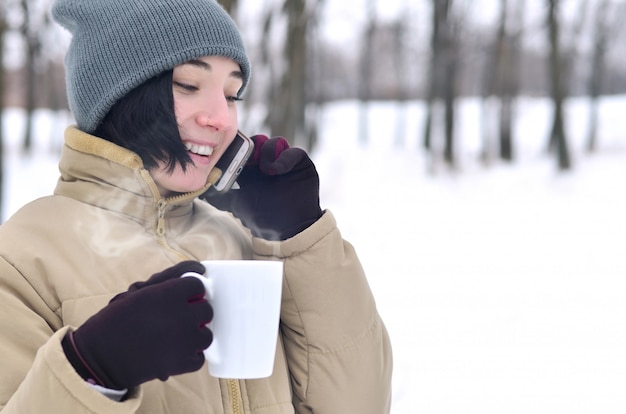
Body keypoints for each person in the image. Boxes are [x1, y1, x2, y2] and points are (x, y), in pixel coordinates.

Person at [0, 0, 393, 412]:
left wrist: (301, 239)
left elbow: (359, 404)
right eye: (188, 85)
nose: (222, 119)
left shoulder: (242, 237)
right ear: (116, 96)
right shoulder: (23, 260)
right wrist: (91, 371)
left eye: (232, 93)